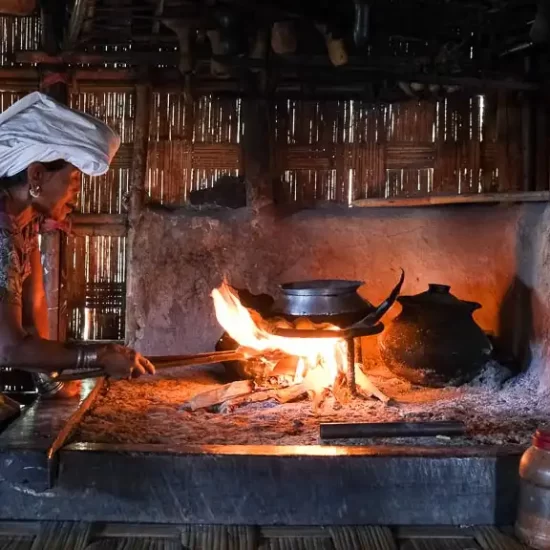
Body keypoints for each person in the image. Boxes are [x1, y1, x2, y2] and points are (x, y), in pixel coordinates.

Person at [0, 92, 155, 398]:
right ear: (36, 175)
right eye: (72, 181)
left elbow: (33, 305)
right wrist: (95, 356)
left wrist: (49, 379)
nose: (76, 194)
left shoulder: (23, 222)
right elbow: (7, 348)